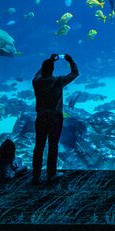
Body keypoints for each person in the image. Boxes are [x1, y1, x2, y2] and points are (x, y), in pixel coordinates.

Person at [32, 53, 79, 184]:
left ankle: (36, 175)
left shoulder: (36, 82)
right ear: (53, 70)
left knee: (39, 146)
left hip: (41, 118)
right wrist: (71, 61)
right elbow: (75, 73)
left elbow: (37, 74)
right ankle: (51, 174)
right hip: (55, 119)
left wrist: (49, 61)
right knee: (53, 146)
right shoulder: (58, 81)